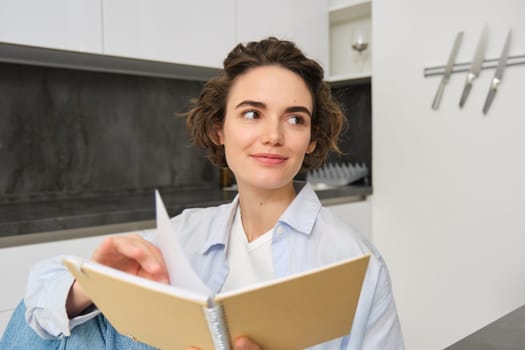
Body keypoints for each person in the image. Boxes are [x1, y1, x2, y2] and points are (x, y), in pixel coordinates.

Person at [1, 37, 404, 350]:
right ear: (219, 129)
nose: (273, 136)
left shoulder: (355, 264)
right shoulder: (187, 233)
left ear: (311, 139)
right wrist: (94, 285)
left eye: (295, 119)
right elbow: (37, 302)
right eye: (252, 113)